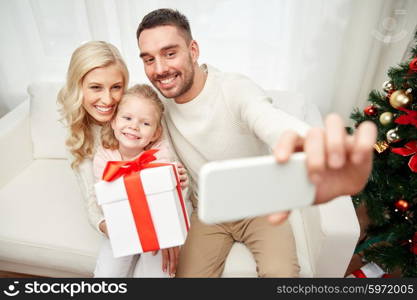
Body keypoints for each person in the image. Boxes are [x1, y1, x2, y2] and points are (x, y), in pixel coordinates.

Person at [136, 9, 377, 277]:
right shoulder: (156, 108)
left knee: (282, 277)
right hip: (208, 210)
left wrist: (313, 145)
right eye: (148, 59)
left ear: (193, 50)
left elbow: (270, 121)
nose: (159, 69)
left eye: (170, 54)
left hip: (260, 204)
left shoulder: (233, 89)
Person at [57, 41, 186, 277]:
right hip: (119, 220)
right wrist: (115, 228)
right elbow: (92, 198)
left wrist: (169, 229)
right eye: (96, 87)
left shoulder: (140, 112)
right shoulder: (80, 134)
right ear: (78, 87)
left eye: (116, 87)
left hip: (157, 217)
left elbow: (171, 177)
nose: (107, 100)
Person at [93, 83, 181, 277]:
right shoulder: (104, 156)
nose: (134, 126)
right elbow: (105, 198)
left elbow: (167, 196)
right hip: (120, 222)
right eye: (127, 118)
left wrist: (176, 180)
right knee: (107, 274)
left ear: (155, 133)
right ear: (114, 121)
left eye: (145, 123)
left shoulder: (160, 154)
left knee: (157, 272)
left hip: (155, 222)